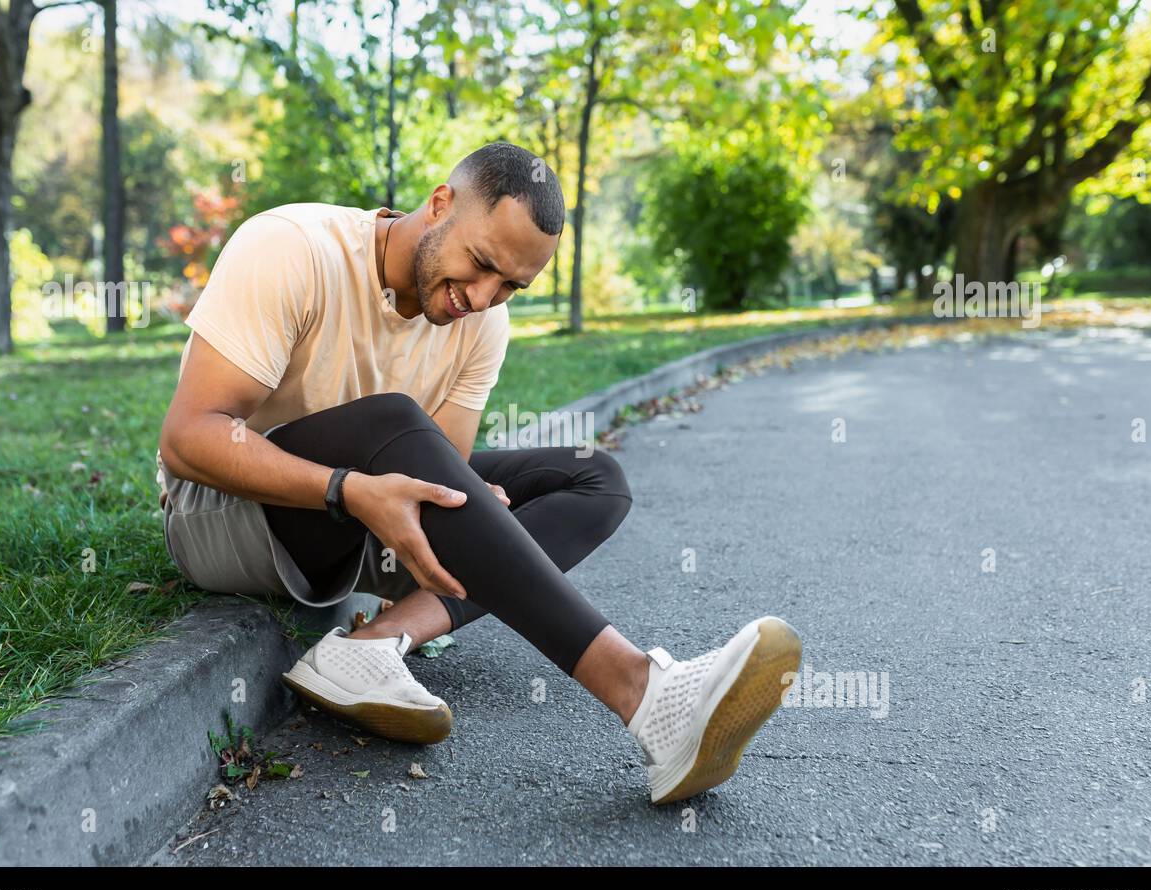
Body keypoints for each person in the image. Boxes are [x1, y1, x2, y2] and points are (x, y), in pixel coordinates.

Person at [155, 141, 802, 804]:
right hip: (225, 513)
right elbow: (189, 438)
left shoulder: (482, 321)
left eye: (511, 286)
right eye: (483, 264)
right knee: (394, 423)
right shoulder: (292, 248)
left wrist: (471, 501)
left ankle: (375, 643)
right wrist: (348, 490)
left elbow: (442, 467)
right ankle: (641, 692)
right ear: (440, 204)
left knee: (592, 476)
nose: (485, 298)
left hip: (362, 520)